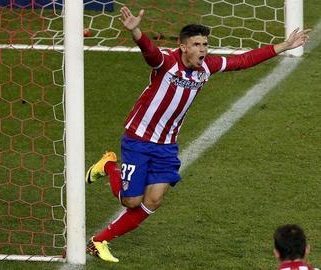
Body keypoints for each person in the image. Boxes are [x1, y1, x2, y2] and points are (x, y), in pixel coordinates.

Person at [85, 6, 310, 263]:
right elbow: (149, 53)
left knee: (154, 200)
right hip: (139, 139)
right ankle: (110, 164)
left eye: (205, 44)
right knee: (131, 201)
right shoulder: (167, 63)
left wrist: (284, 45)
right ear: (183, 47)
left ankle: (99, 240)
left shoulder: (207, 67)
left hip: (167, 145)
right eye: (196, 44)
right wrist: (136, 31)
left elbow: (243, 60)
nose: (203, 49)